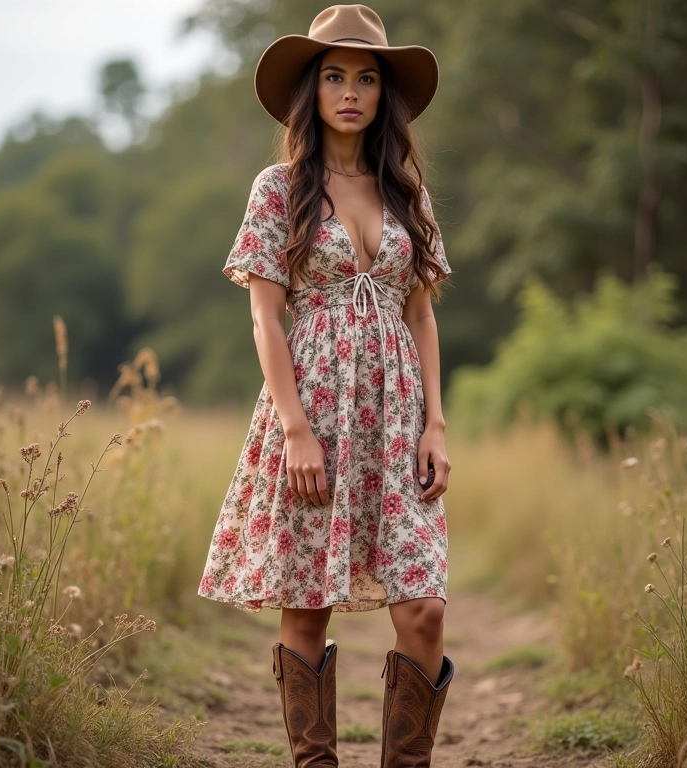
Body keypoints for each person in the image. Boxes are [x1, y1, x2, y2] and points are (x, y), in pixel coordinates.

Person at [198, 5, 453, 766]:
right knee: (305, 611)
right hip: (311, 413)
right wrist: (295, 428)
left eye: (366, 78)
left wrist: (435, 423)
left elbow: (421, 316)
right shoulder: (279, 188)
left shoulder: (406, 191)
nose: (351, 92)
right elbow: (265, 320)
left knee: (426, 611)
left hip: (397, 420)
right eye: (335, 76)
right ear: (311, 91)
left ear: (384, 96)